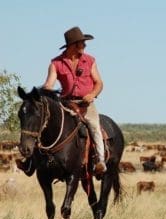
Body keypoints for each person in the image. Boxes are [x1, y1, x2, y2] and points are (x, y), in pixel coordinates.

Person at [17, 26, 107, 176]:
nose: (84, 46)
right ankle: (31, 163)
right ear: (73, 45)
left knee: (94, 126)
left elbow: (99, 83)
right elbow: (49, 84)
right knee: (43, 124)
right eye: (82, 43)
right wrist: (43, 93)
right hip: (65, 104)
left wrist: (92, 94)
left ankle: (100, 161)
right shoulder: (56, 63)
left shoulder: (90, 61)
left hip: (86, 104)